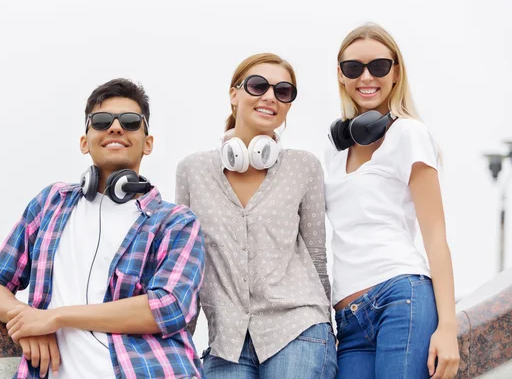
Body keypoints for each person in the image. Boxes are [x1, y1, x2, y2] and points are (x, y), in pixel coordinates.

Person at [0, 78, 205, 379]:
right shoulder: (50, 204)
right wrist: (26, 320)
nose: (115, 128)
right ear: (84, 141)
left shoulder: (175, 222)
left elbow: (169, 307)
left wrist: (54, 318)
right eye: (100, 121)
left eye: (131, 122)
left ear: (148, 143)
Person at [176, 53, 337, 379]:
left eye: (283, 91)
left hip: (299, 329)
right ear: (234, 94)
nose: (269, 97)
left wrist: (330, 333)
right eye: (258, 85)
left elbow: (317, 257)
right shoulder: (192, 171)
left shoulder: (304, 167)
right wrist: (179, 344)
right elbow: (186, 267)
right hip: (225, 344)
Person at [325, 23, 460, 379]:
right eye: (354, 67)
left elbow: (435, 236)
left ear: (396, 72)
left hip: (401, 298)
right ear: (341, 75)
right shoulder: (334, 151)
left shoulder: (409, 133)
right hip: (348, 318)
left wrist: (448, 327)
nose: (366, 76)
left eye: (379, 66)